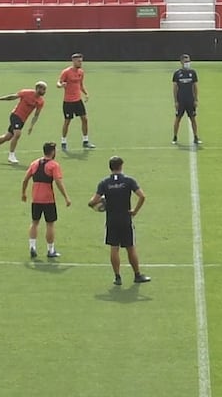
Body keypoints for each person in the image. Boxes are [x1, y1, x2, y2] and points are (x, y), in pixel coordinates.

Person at [90, 156, 150, 285]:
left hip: (111, 219)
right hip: (125, 219)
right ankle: (137, 275)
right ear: (121, 166)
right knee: (130, 247)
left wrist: (101, 202)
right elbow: (142, 196)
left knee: (114, 248)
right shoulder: (128, 180)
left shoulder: (104, 183)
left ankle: (117, 277)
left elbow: (92, 201)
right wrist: (135, 211)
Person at [22, 141, 70, 260]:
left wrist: (23, 193)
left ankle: (32, 247)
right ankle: (50, 249)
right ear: (52, 152)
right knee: (50, 224)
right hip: (48, 200)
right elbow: (58, 182)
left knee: (34, 222)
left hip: (35, 199)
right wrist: (66, 197)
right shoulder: (53, 165)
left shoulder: (34, 163)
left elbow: (25, 179)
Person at [0, 82, 47, 164]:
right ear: (37, 89)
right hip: (15, 115)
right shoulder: (26, 92)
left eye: (45, 89)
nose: (44, 91)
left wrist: (31, 126)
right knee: (17, 134)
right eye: (43, 89)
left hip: (22, 120)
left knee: (7, 137)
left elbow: (36, 115)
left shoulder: (40, 101)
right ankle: (11, 155)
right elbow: (12, 97)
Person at [58, 53, 94, 151]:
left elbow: (81, 85)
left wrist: (86, 93)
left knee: (85, 119)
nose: (80, 63)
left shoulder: (81, 72)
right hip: (68, 102)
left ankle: (85, 141)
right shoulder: (66, 72)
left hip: (78, 100)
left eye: (81, 61)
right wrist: (61, 85)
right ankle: (63, 142)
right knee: (67, 121)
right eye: (78, 61)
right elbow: (58, 83)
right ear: (73, 61)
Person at [172, 54, 201, 145]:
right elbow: (175, 88)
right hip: (181, 100)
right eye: (185, 62)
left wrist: (196, 99)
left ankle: (196, 137)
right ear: (181, 62)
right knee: (178, 118)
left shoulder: (193, 73)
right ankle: (175, 137)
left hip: (190, 100)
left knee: (193, 118)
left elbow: (195, 86)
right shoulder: (177, 73)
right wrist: (176, 101)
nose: (187, 63)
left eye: (188, 61)